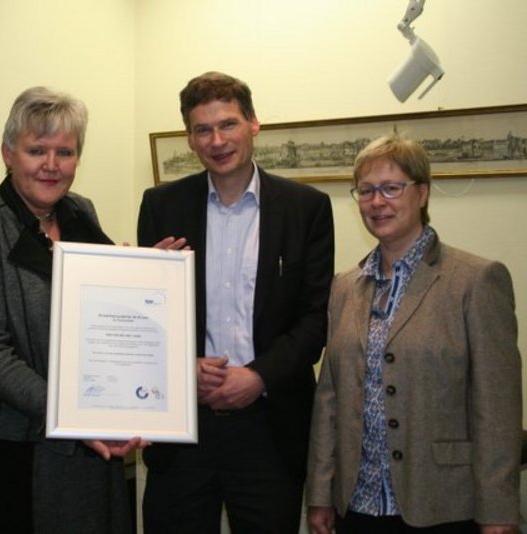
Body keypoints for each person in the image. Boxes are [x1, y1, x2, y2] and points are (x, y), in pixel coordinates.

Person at [137, 71, 335, 533]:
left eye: (228, 124)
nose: (217, 140)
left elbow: (315, 319)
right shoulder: (161, 205)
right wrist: (182, 367)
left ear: (253, 124)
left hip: (270, 429)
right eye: (203, 129)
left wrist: (258, 375)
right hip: (182, 429)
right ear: (189, 138)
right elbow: (148, 318)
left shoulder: (306, 208)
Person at [0, 86, 144, 534]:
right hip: (16, 445)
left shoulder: (80, 213)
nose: (51, 165)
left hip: (89, 440)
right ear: (7, 154)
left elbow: (99, 315)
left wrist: (148, 279)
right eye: (37, 150)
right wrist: (72, 415)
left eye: (65, 152)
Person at [306, 134, 522, 534]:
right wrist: (320, 492)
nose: (377, 202)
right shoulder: (344, 286)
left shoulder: (475, 280)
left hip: (444, 504)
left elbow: (497, 409)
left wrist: (499, 511)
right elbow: (329, 399)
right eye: (366, 191)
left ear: (421, 193)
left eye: (391, 188)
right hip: (358, 503)